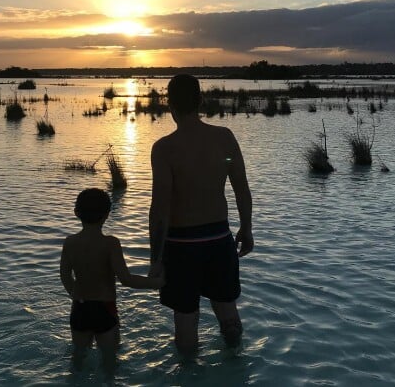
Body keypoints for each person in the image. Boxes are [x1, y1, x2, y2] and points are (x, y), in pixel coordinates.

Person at [149, 74, 254, 354]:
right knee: (228, 312)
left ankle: (188, 375)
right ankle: (235, 365)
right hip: (219, 240)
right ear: (200, 100)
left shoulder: (164, 149)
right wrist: (246, 228)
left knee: (185, 321)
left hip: (182, 246)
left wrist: (156, 259)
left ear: (169, 103)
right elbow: (242, 189)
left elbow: (160, 210)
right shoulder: (224, 138)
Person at [60, 188, 164, 365]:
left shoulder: (70, 242)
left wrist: (75, 295)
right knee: (110, 361)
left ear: (76, 212)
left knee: (78, 358)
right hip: (104, 309)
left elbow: (64, 276)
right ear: (107, 214)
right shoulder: (110, 243)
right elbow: (126, 279)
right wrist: (157, 283)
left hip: (79, 308)